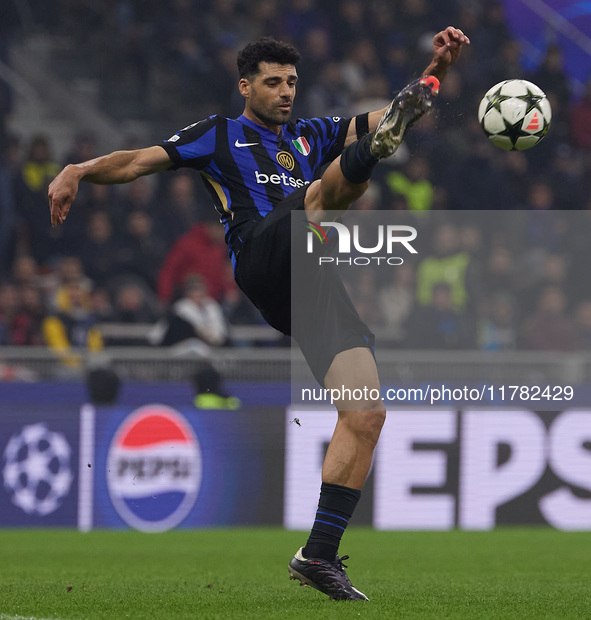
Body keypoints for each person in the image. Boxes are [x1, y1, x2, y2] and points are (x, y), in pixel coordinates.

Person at [48, 27, 469, 601]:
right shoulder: (217, 136)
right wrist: (78, 169)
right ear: (246, 86)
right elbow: (136, 162)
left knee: (366, 412)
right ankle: (372, 158)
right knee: (320, 197)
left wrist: (433, 71)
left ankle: (317, 554)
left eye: (292, 82)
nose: (285, 91)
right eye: (273, 82)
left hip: (312, 277)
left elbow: (392, 109)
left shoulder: (308, 133)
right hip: (262, 253)